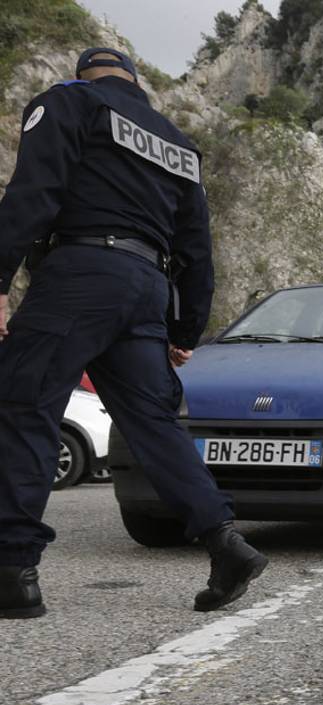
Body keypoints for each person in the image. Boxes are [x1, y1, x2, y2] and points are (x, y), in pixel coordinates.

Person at [0, 47, 268, 619]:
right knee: (155, 426)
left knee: (23, 406)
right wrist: (184, 328)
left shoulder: (71, 101)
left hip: (80, 275)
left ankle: (12, 572)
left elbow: (33, 193)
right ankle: (225, 541)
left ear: (83, 75)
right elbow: (198, 249)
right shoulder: (176, 142)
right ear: (136, 83)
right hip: (147, 287)